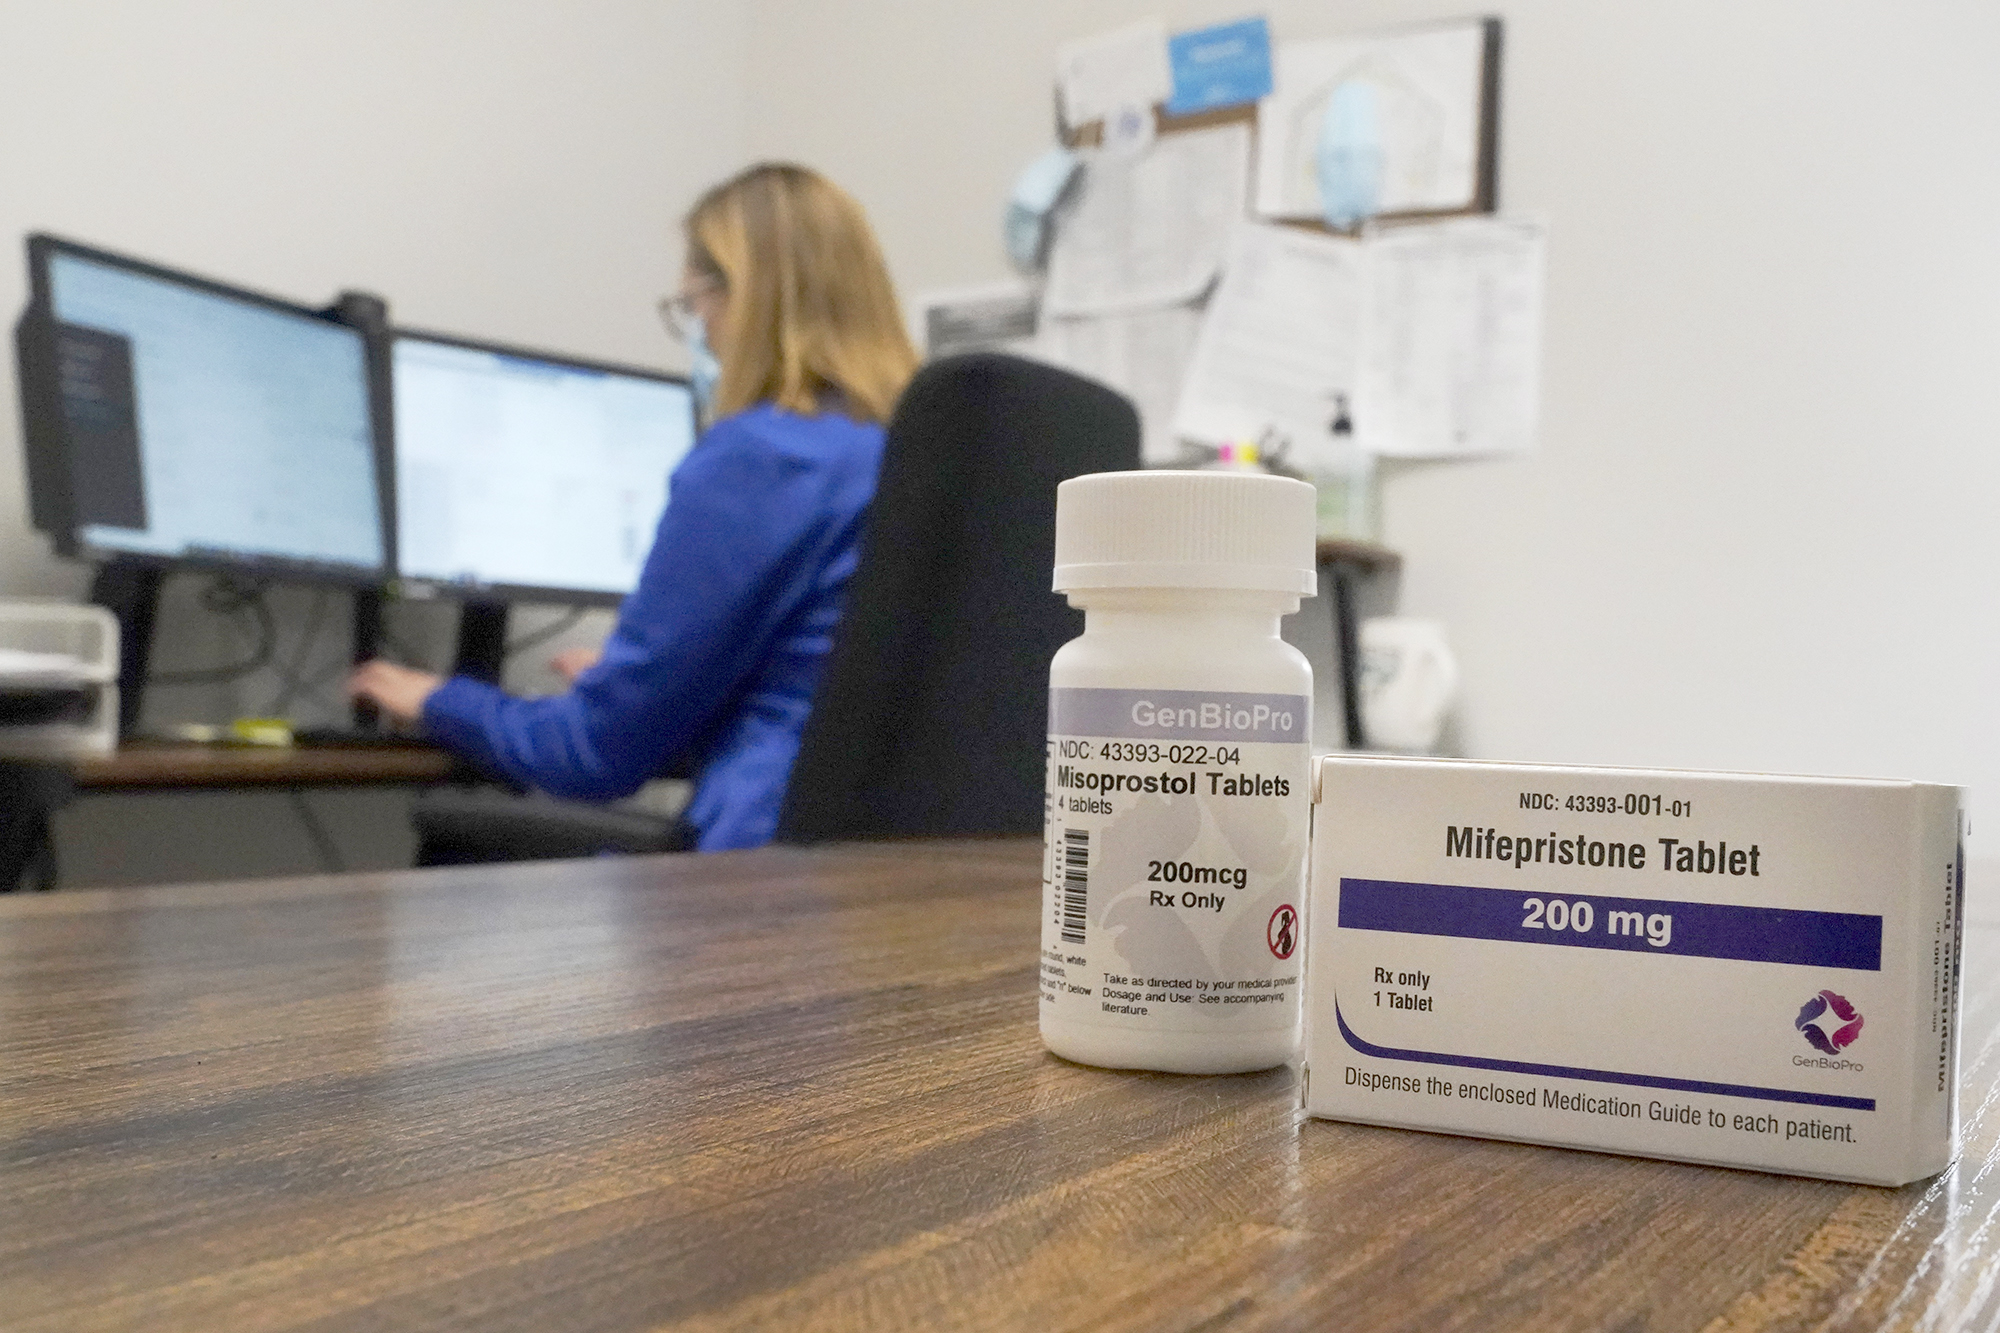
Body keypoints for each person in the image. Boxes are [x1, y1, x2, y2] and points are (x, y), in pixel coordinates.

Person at [349, 163, 919, 851]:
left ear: (748, 297)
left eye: (697, 304)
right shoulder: (914, 453)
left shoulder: (763, 455)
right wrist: (646, 683)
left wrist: (440, 700)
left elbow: (593, 754)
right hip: (905, 884)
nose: (702, 334)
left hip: (764, 887)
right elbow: (826, 695)